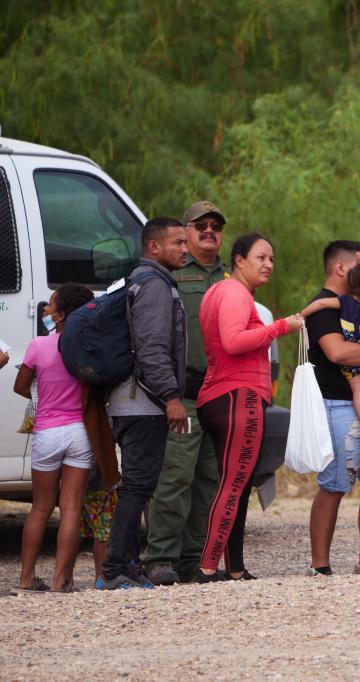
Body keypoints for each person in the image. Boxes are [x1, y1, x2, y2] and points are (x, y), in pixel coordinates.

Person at [194, 233, 303, 583]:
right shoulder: (235, 293)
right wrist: (282, 326)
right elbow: (234, 340)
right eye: (261, 257)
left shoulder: (219, 292)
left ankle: (235, 568)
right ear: (239, 260)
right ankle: (207, 567)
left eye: (272, 258)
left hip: (218, 396)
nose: (268, 264)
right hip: (238, 396)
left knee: (237, 485)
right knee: (233, 482)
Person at [143, 200, 229, 586]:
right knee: (175, 478)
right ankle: (161, 557)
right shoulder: (171, 275)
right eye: (200, 225)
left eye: (216, 225)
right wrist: (170, 395)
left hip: (221, 394)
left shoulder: (231, 277)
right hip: (186, 392)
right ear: (185, 233)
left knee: (209, 479)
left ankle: (195, 559)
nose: (209, 230)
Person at [102, 217, 189, 590]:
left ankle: (129, 565)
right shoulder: (153, 286)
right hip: (142, 402)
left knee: (139, 485)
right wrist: (171, 396)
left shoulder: (142, 281)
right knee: (138, 487)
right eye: (177, 243)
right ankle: (115, 570)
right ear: (154, 247)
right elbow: (153, 350)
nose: (185, 249)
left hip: (132, 400)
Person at [306, 240, 360, 576]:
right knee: (335, 483)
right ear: (341, 268)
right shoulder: (325, 308)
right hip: (340, 406)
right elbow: (338, 353)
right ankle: (320, 566)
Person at [11, 284, 95, 593]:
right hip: (80, 432)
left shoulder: (38, 346)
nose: (46, 309)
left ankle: (27, 578)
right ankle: (62, 580)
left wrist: (39, 392)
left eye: (51, 306)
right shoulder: (87, 346)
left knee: (40, 507)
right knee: (71, 507)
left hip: (47, 431)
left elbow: (20, 387)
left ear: (60, 316)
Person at [301, 261, 360, 449]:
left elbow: (320, 303)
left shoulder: (344, 302)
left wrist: (301, 316)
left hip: (353, 360)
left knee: (359, 390)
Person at [80, 468, 118, 589]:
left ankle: (66, 578)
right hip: (100, 486)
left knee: (78, 529)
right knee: (103, 535)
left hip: (80, 486)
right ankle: (101, 578)